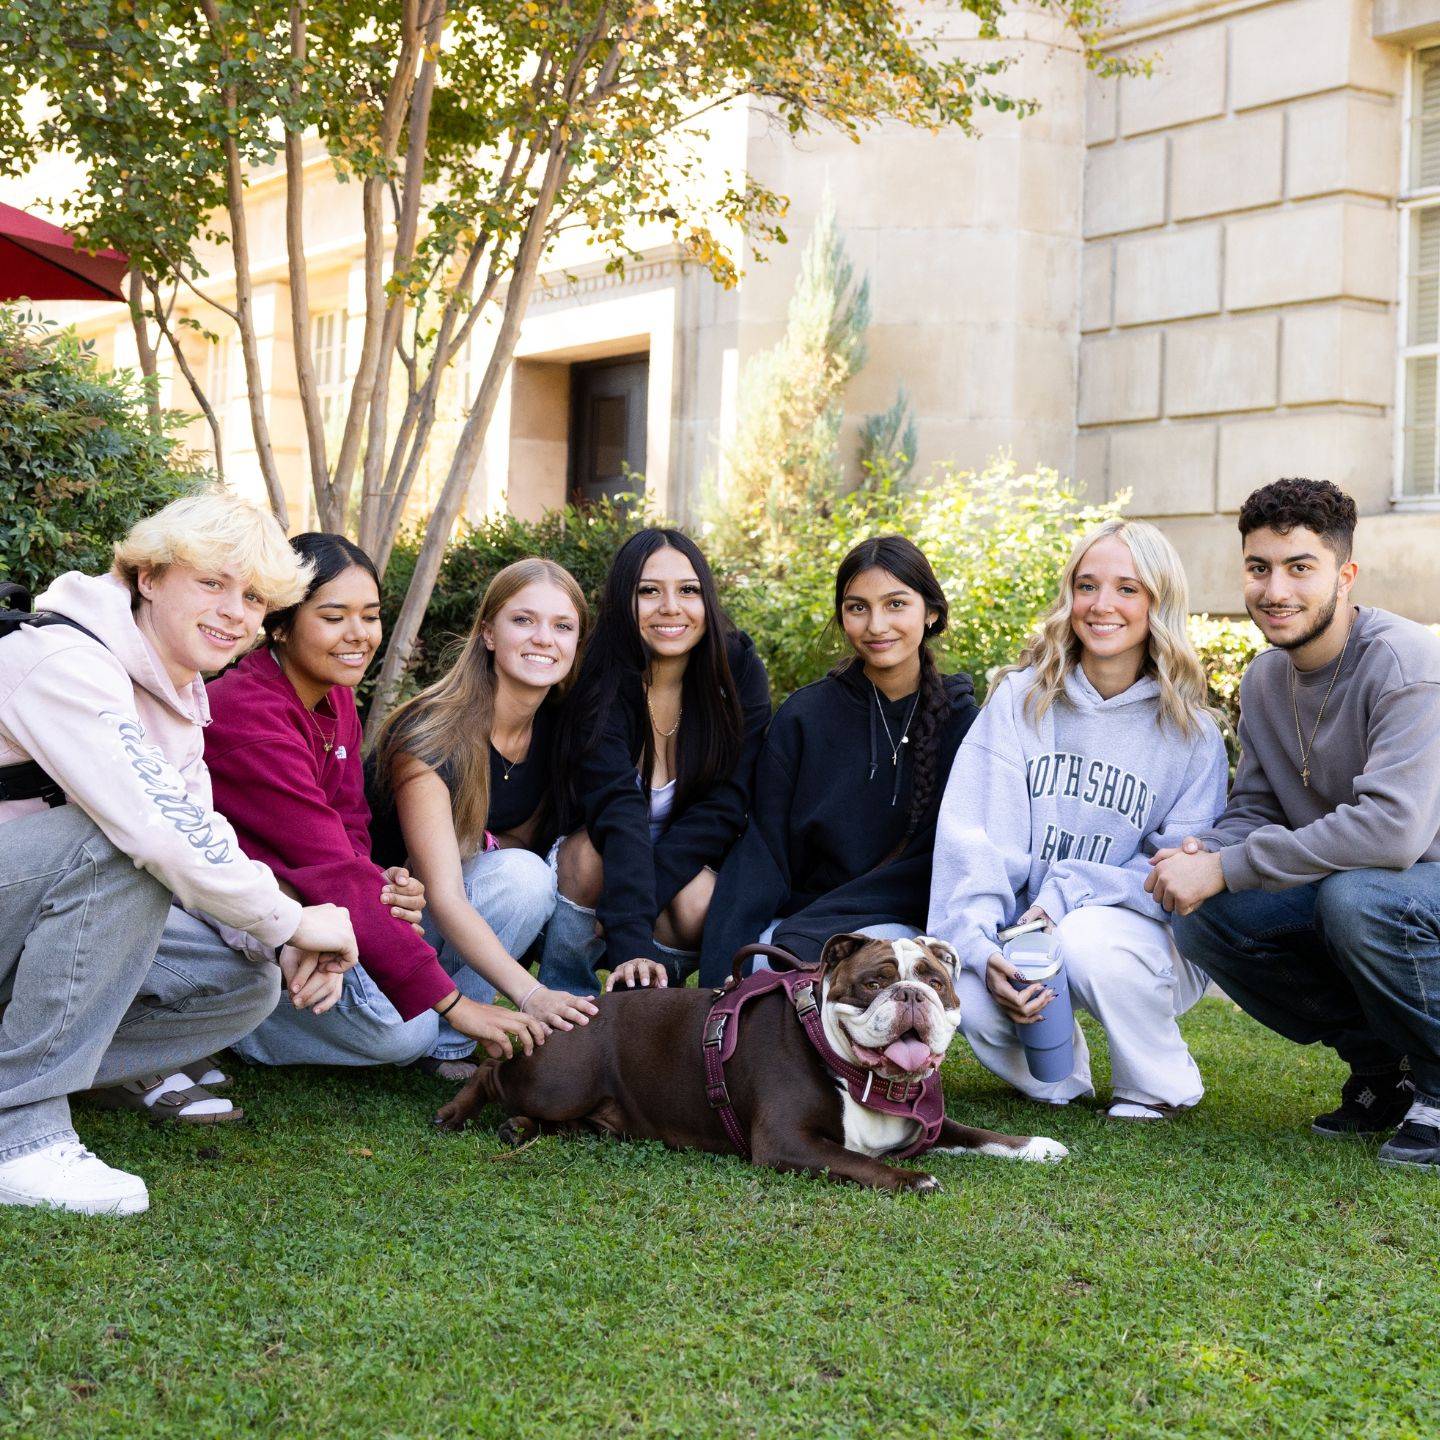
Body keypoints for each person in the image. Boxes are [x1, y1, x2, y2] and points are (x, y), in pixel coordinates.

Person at [0, 491, 360, 1216]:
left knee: (246, 980)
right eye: (212, 582)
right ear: (149, 577)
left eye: (254, 596)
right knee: (111, 845)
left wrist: (271, 936)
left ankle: (26, 1076)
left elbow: (199, 829)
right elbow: (155, 828)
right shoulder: (57, 658)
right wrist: (291, 922)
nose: (236, 611)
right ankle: (19, 1134)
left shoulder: (176, 692)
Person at [1150, 479, 1440, 1171]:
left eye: (1299, 567)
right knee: (1206, 916)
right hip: (1375, 887)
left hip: (1417, 882)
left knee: (1358, 899)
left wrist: (1226, 865)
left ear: (1345, 576)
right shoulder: (1263, 680)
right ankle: (1384, 1070)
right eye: (1259, 568)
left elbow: (1392, 834)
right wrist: (1204, 854)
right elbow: (1258, 807)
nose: (1275, 589)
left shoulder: (1406, 665)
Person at [205, 534, 545, 1072]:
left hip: (319, 907)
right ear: (281, 624)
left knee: (521, 878)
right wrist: (453, 1004)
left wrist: (388, 883)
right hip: (249, 930)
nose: (358, 636)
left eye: (370, 615)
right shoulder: (248, 713)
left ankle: (436, 1040)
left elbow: (349, 832)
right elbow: (326, 864)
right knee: (401, 1032)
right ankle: (235, 1028)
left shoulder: (333, 693)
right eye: (335, 616)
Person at [930, 519, 1228, 1120]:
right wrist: (983, 948)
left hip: (1142, 940)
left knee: (1084, 937)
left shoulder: (1192, 736)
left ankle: (1159, 1085)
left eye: (1127, 588)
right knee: (960, 969)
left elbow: (1178, 879)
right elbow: (975, 836)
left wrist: (1075, 890)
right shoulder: (1020, 700)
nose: (1102, 606)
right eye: (1087, 586)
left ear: (1158, 602)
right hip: (1031, 938)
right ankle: (1061, 1076)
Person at [699, 535, 978, 983]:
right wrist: (721, 969)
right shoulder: (804, 716)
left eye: (895, 604)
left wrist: (813, 934)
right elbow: (764, 848)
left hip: (905, 929)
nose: (876, 625)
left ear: (931, 612)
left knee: (868, 969)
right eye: (857, 607)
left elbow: (940, 864)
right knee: (761, 966)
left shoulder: (964, 724)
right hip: (798, 922)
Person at [369, 558, 597, 1079]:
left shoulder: (558, 733)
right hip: (385, 917)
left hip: (443, 917)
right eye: (523, 620)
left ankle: (446, 1045)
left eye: (562, 626)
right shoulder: (430, 734)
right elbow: (443, 892)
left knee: (524, 873)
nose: (544, 638)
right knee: (520, 875)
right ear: (488, 633)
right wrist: (531, 993)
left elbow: (514, 844)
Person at [538, 528, 771, 994]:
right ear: (625, 600)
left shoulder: (737, 668)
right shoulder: (597, 678)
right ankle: (567, 1001)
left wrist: (644, 900)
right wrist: (629, 936)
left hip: (679, 864)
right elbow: (616, 808)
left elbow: (727, 804)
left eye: (688, 590)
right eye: (649, 591)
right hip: (597, 859)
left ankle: (649, 998)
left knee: (701, 900)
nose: (671, 608)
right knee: (586, 857)